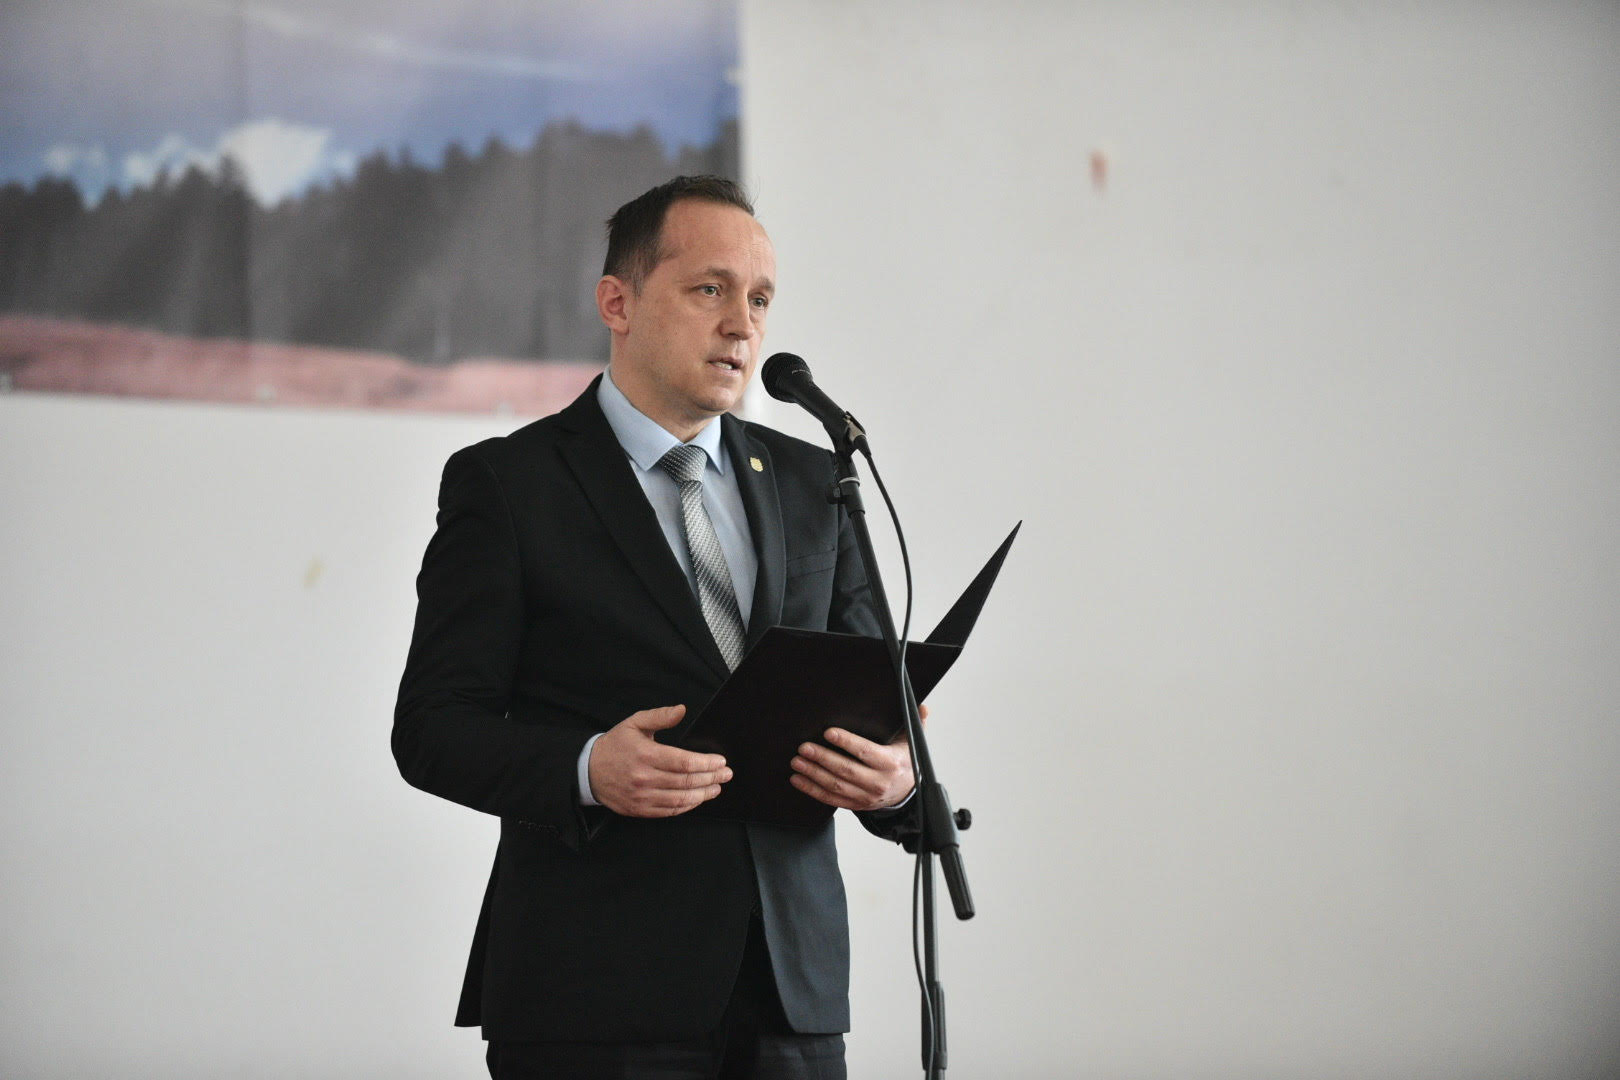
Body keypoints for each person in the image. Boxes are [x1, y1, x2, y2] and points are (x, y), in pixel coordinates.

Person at [393, 175, 920, 1080]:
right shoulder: (511, 485)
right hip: (593, 997)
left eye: (760, 300)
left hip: (790, 996)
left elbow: (878, 704)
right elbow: (433, 728)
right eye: (710, 289)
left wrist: (898, 783)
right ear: (618, 303)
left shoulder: (815, 484)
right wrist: (586, 769)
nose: (742, 326)